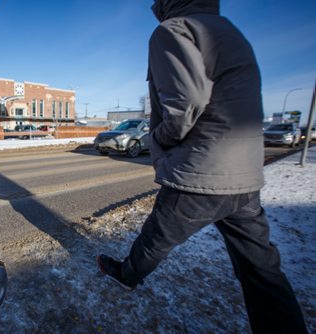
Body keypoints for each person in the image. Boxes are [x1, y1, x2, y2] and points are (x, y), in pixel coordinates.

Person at [96, 1, 308, 333]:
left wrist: (162, 138)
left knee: (156, 237)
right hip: (244, 175)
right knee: (261, 269)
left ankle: (127, 274)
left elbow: (186, 102)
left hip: (202, 171)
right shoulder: (232, 33)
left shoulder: (174, 29)